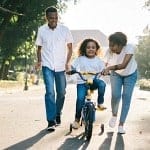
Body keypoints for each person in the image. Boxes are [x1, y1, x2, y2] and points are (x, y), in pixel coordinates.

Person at [35, 6, 73, 131]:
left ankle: (58, 113)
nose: (54, 20)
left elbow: (70, 48)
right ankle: (51, 120)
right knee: (50, 92)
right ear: (46, 18)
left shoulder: (65, 30)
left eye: (56, 18)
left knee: (61, 92)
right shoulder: (41, 30)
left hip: (61, 66)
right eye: (51, 18)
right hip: (47, 65)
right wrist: (39, 61)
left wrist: (67, 63)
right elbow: (39, 48)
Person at [102, 32, 137, 134]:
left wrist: (109, 68)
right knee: (115, 95)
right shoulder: (109, 51)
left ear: (121, 44)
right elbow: (104, 64)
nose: (111, 47)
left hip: (130, 74)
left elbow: (123, 65)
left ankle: (121, 125)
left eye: (113, 45)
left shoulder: (129, 48)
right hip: (116, 74)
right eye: (110, 45)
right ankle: (114, 115)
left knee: (126, 96)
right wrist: (102, 70)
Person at [69, 38, 106, 129]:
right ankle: (77, 119)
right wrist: (71, 70)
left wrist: (105, 71)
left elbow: (104, 69)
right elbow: (72, 66)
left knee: (102, 84)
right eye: (88, 47)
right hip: (82, 82)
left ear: (96, 49)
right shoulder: (80, 59)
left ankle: (100, 103)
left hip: (93, 82)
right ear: (84, 49)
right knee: (80, 99)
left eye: (93, 47)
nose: (91, 49)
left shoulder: (98, 60)